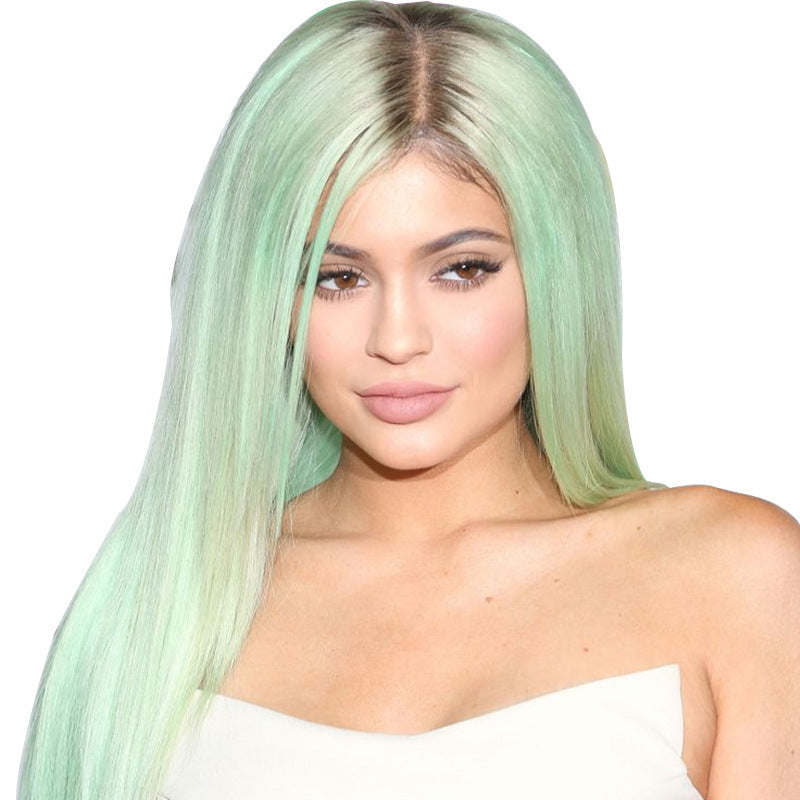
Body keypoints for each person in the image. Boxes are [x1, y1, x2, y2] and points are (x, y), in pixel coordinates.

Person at [16, 2, 800, 799]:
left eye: (462, 269)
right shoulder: (158, 604)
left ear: (559, 269)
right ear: (268, 299)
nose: (397, 338)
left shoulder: (734, 576)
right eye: (338, 278)